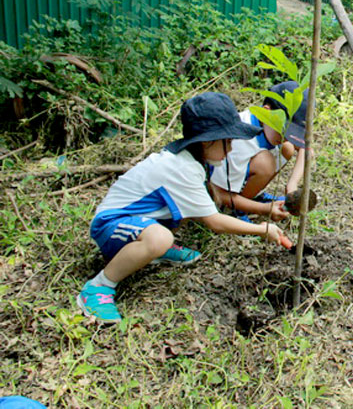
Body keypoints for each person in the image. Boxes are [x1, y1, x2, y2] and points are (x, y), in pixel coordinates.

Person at [76, 92, 289, 324]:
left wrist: (263, 208)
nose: (230, 149)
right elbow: (215, 222)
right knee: (159, 237)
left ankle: (158, 248)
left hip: (141, 219)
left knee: (179, 218)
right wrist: (261, 229)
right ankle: (99, 287)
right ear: (208, 141)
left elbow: (208, 200)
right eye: (227, 141)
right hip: (111, 224)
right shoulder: (181, 168)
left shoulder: (195, 161)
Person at [208, 81, 309, 222]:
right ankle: (237, 208)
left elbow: (307, 149)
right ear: (266, 112)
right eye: (284, 131)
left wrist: (291, 185)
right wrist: (262, 209)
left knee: (288, 148)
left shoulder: (268, 128)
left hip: (238, 176)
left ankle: (253, 195)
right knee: (265, 163)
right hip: (219, 192)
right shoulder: (239, 142)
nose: (287, 137)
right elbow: (218, 192)